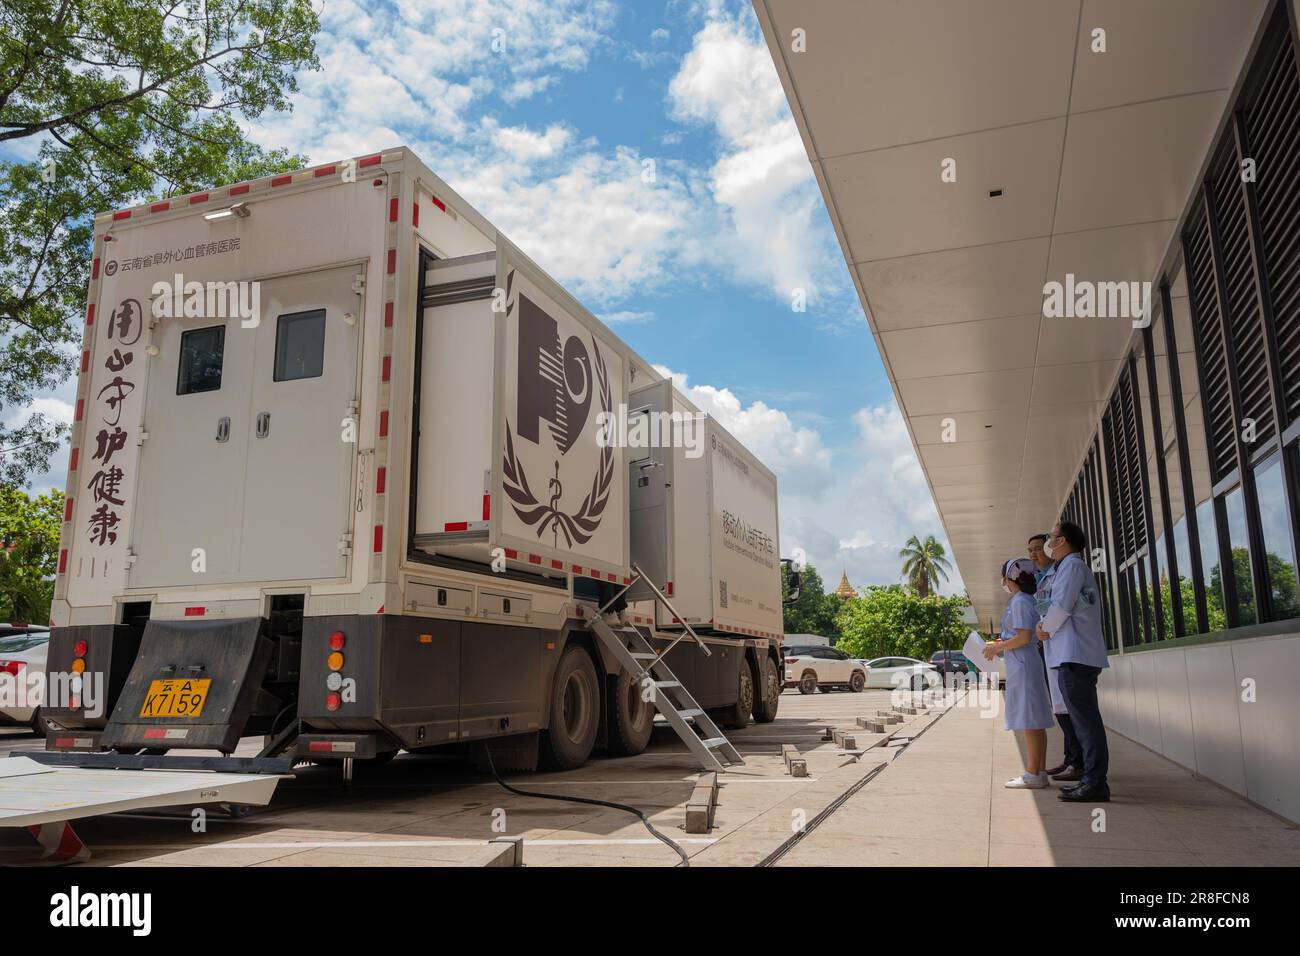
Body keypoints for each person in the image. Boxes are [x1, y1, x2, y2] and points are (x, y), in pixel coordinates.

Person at [1036, 521, 1111, 802]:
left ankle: (1095, 782)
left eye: (1050, 538)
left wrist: (1044, 627)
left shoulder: (1071, 567)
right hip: (1072, 654)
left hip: (1075, 655)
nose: (1048, 543)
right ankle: (1090, 778)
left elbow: (1062, 606)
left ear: (1062, 541)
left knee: (1086, 722)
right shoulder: (1067, 567)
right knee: (1083, 721)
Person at [983, 557, 1054, 788]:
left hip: (1023, 664)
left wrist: (997, 647)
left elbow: (1023, 637)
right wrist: (1000, 643)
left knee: (1030, 721)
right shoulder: (1024, 600)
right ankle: (1039, 772)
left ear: (1008, 578)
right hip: (1025, 663)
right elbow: (1020, 635)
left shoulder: (1020, 602)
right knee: (1034, 720)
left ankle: (1032, 774)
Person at [1028, 532, 1082, 782]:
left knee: (1073, 710)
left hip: (1065, 647)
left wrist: (1045, 628)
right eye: (1031, 550)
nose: (1034, 554)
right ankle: (1070, 758)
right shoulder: (1039, 578)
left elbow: (1060, 608)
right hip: (1050, 646)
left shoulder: (1064, 570)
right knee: (1059, 706)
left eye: (1039, 548)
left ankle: (1078, 762)